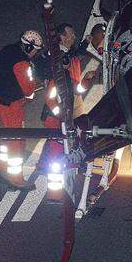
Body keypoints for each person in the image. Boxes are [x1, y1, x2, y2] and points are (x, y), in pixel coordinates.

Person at [40, 23, 96, 199]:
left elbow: (74, 85)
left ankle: (67, 169)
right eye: (71, 35)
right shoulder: (57, 67)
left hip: (69, 105)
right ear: (62, 37)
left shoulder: (67, 59)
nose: (74, 37)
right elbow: (51, 99)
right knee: (58, 148)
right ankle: (55, 191)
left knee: (72, 139)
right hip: (60, 114)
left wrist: (85, 82)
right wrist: (62, 116)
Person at [0, 30, 43, 189]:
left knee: (7, 136)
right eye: (35, 51)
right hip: (9, 103)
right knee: (16, 140)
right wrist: (35, 84)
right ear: (29, 48)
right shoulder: (21, 62)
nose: (35, 54)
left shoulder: (8, 49)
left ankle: (0, 167)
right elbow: (27, 88)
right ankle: (16, 179)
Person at [77, 23, 106, 113]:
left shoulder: (105, 61)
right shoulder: (85, 58)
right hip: (84, 108)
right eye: (101, 38)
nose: (102, 42)